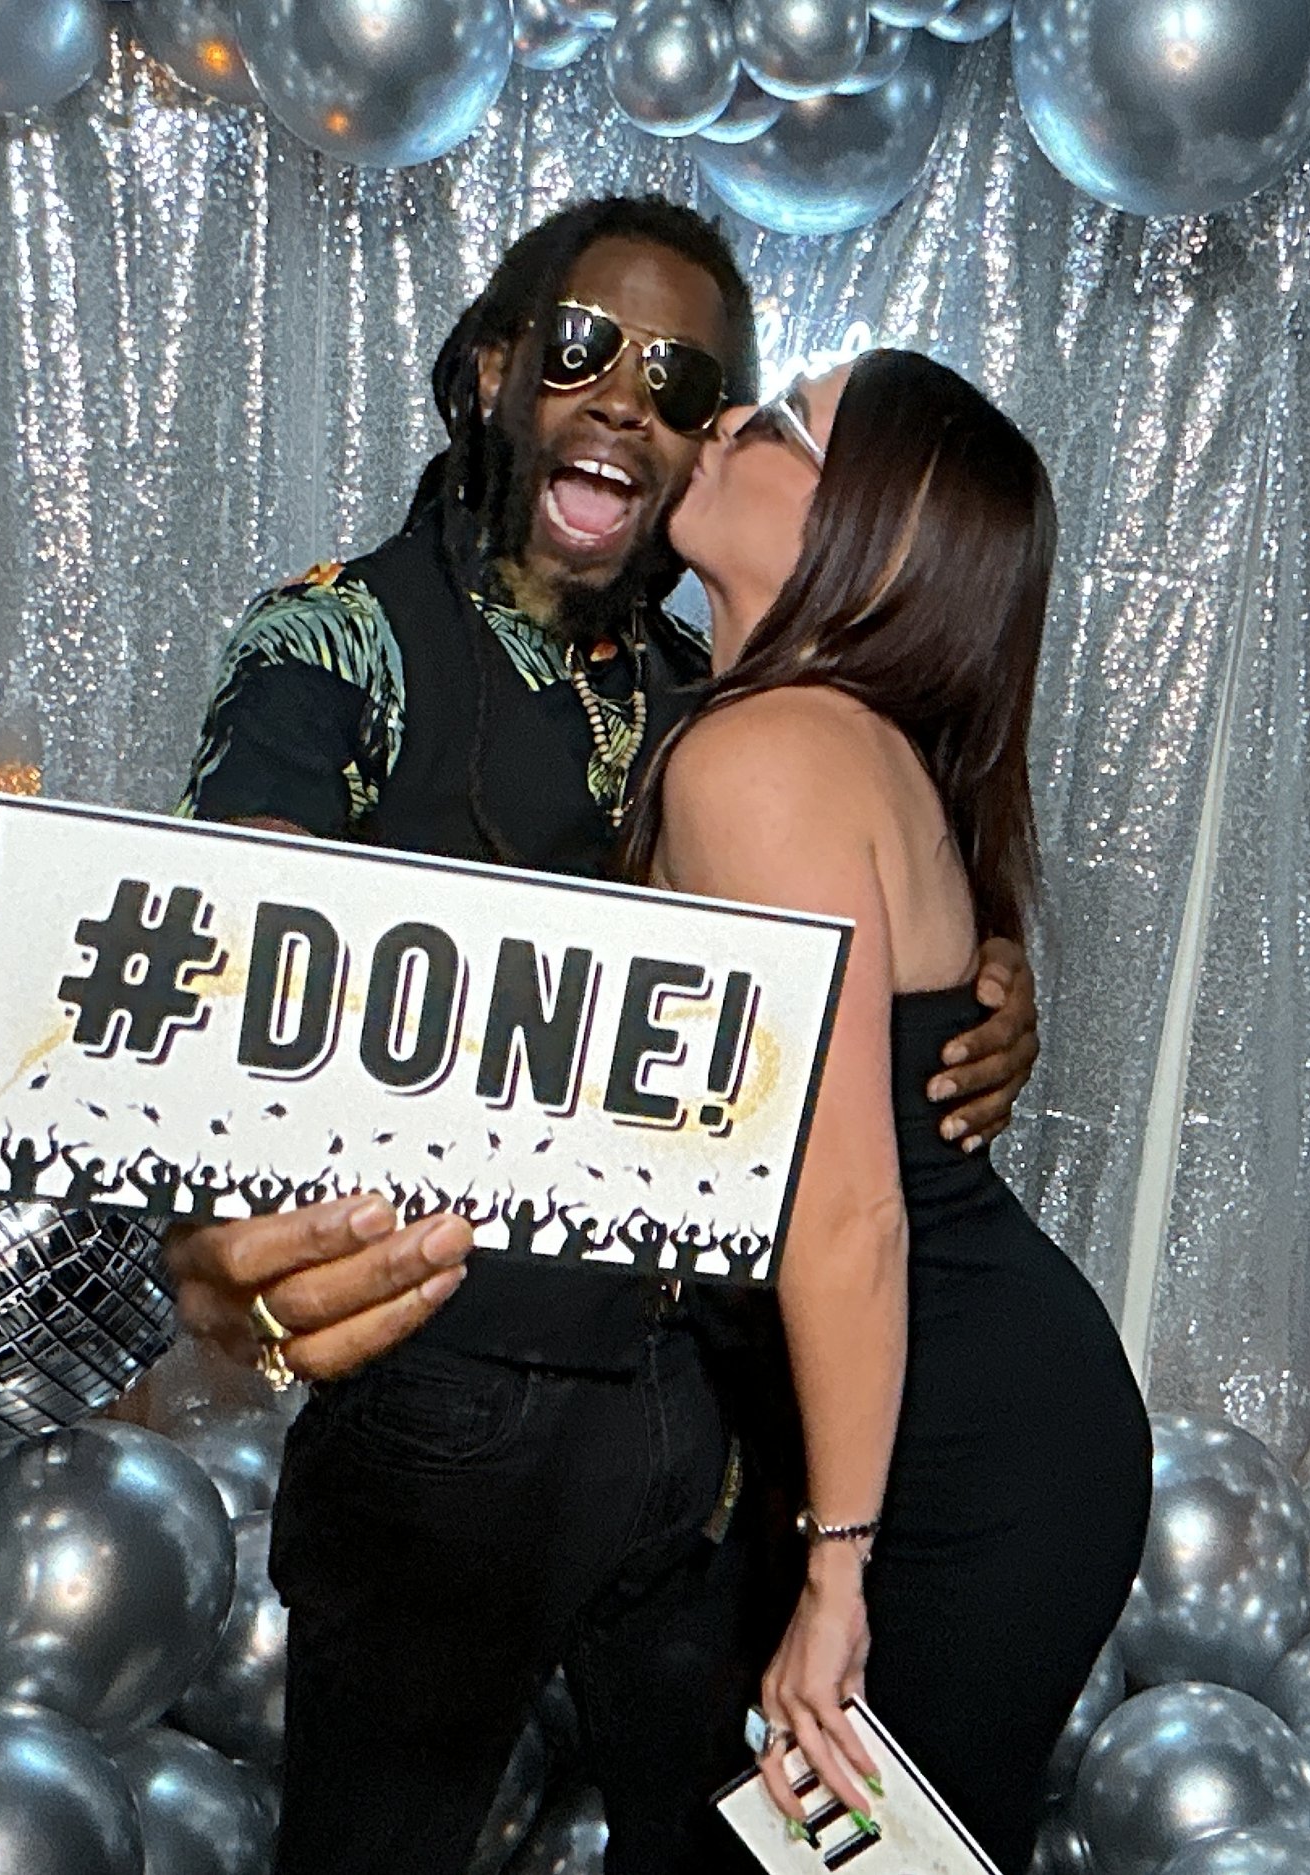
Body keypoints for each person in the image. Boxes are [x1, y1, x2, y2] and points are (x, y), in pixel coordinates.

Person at [160, 198, 1043, 1874]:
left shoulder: (706, 687)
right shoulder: (333, 647)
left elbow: (846, 929)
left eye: (684, 379)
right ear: (493, 374)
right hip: (451, 1417)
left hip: (706, 1429)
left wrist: (983, 985)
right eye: (580, 350)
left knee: (728, 1845)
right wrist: (216, 1257)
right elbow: (212, 1010)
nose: (626, 396)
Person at [625, 351, 1154, 1870]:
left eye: (782, 424)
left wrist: (836, 1575)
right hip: (946, 1433)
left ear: (880, 541)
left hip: (956, 1473)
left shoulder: (767, 755)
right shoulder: (815, 736)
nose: (724, 419)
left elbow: (843, 1212)